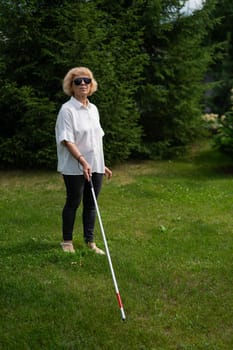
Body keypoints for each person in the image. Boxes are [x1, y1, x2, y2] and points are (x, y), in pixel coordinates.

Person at [55, 66, 112, 254]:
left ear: (91, 84)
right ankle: (67, 241)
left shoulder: (93, 109)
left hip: (94, 165)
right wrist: (82, 161)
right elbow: (67, 140)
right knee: (73, 201)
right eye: (77, 81)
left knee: (91, 204)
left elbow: (94, 140)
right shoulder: (67, 110)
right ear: (71, 86)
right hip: (74, 166)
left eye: (86, 81)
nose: (82, 84)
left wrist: (99, 163)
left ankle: (90, 242)